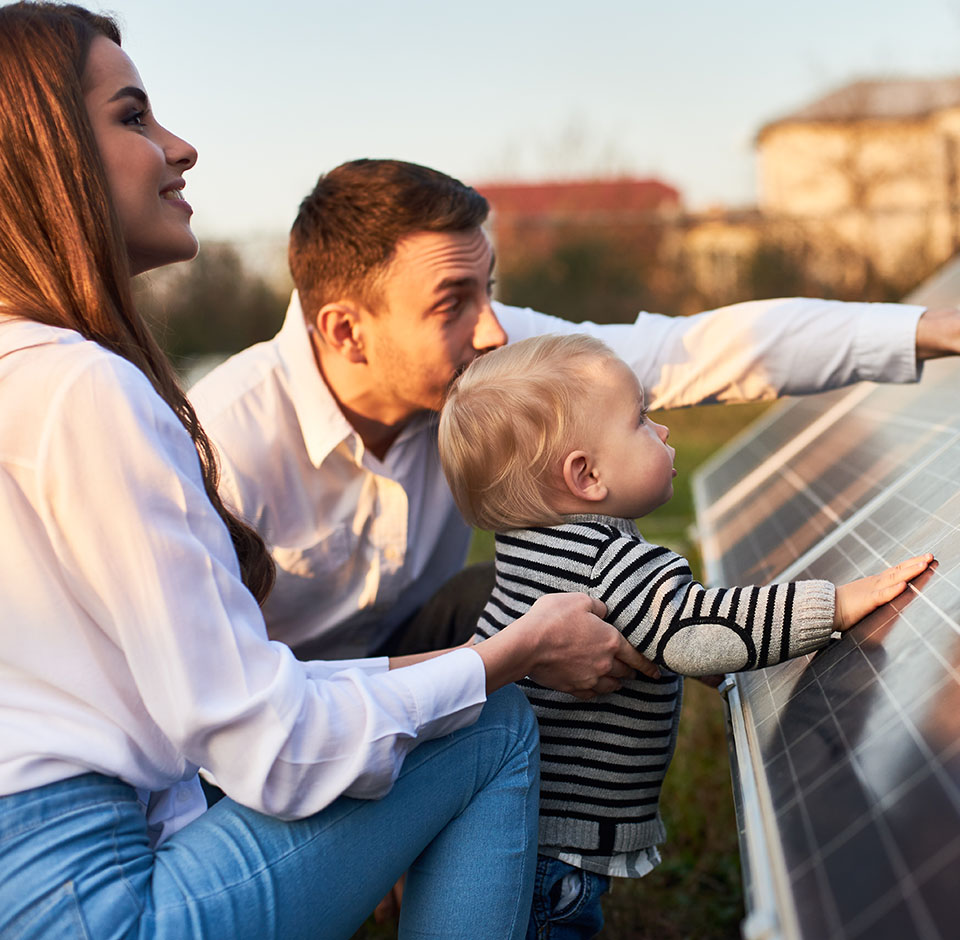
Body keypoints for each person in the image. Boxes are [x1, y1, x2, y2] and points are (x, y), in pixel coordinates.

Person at [0, 5, 656, 938]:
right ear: (44, 154)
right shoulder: (85, 390)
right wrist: (511, 655)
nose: (180, 147)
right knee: (493, 722)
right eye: (134, 115)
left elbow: (212, 723)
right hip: (94, 905)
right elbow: (267, 746)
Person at [190, 158, 960, 666]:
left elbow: (690, 351)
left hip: (418, 653)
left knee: (554, 596)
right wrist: (509, 660)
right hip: (268, 731)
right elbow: (223, 702)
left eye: (489, 287)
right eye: (453, 303)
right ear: (346, 330)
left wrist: (928, 328)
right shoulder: (223, 447)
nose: (493, 331)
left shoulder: (488, 365)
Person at [437, 332, 933, 939]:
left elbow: (651, 632)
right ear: (586, 475)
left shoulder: (526, 553)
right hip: (555, 859)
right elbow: (695, 628)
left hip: (514, 829)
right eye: (642, 419)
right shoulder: (610, 562)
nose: (665, 431)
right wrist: (837, 604)